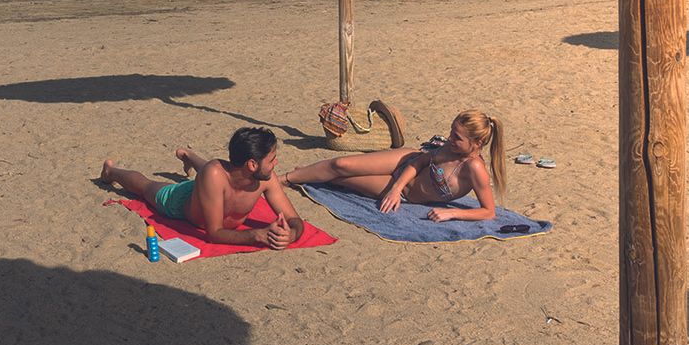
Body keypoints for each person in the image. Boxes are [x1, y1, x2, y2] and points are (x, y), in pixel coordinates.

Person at [282, 109, 506, 222]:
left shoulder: (474, 169)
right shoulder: (449, 147)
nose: (449, 139)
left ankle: (302, 174)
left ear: (477, 143)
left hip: (409, 193)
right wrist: (396, 189)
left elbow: (488, 212)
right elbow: (418, 161)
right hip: (404, 166)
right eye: (450, 132)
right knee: (342, 163)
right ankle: (284, 179)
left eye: (457, 137)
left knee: (340, 178)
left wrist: (452, 214)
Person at [100, 126, 305, 249]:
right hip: (182, 201)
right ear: (252, 164)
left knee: (212, 174)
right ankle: (111, 172)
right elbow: (214, 233)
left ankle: (189, 155)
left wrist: (292, 234)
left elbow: (294, 219)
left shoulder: (267, 179)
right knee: (146, 188)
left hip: (213, 185)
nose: (276, 164)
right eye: (272, 160)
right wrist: (257, 235)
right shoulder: (214, 174)